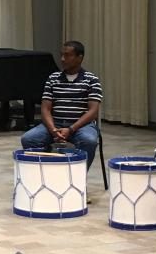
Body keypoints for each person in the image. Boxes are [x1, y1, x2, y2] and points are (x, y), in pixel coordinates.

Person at [21, 40, 103, 170]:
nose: (62, 59)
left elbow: (93, 111)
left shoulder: (91, 80)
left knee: (89, 141)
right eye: (61, 55)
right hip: (56, 124)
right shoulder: (53, 78)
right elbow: (45, 108)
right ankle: (46, 174)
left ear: (79, 58)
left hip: (81, 126)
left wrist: (71, 129)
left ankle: (78, 178)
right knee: (29, 139)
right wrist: (53, 129)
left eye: (67, 55)